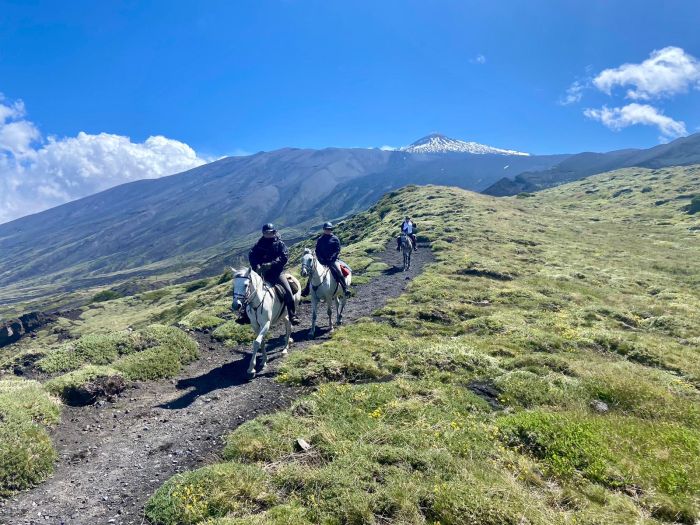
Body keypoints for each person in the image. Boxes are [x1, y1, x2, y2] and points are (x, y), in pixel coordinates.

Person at [238, 223, 300, 325]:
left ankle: (292, 315)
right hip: (261, 274)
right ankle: (244, 315)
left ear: (274, 232)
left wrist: (271, 264)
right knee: (249, 291)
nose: (268, 234)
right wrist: (257, 265)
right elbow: (252, 255)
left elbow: (284, 257)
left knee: (288, 291)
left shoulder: (280, 244)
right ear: (263, 233)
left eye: (270, 232)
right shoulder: (259, 244)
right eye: (266, 232)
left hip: (276, 273)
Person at [301, 222, 350, 298]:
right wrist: (320, 258)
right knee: (313, 272)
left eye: (329, 229)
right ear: (324, 230)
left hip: (333, 260)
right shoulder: (320, 239)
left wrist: (332, 258)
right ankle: (307, 290)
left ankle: (345, 289)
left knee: (338, 271)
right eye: (326, 229)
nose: (328, 230)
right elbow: (317, 250)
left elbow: (337, 250)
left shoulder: (335, 239)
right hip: (322, 260)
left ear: (331, 230)